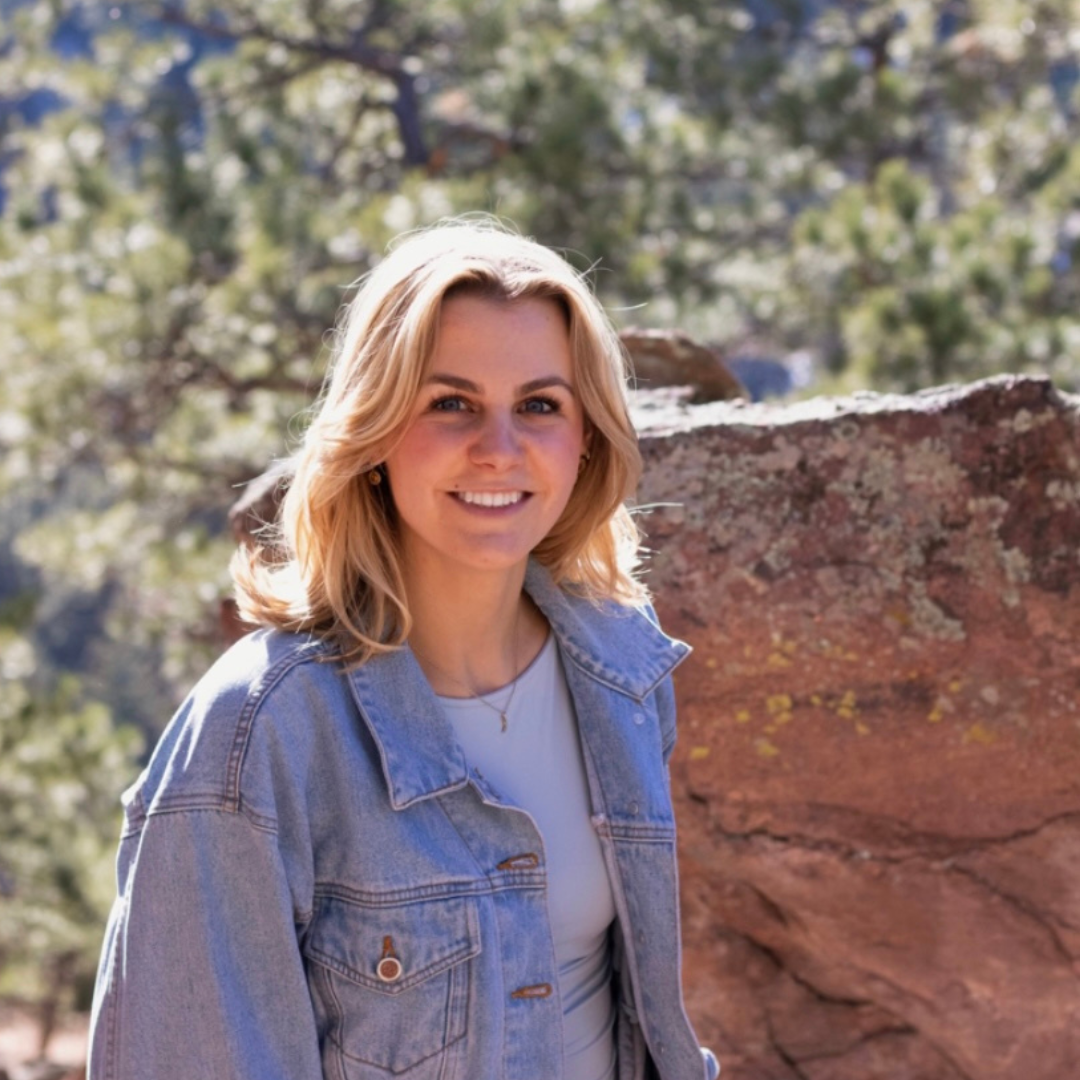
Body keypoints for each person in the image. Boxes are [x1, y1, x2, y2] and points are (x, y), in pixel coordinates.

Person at [87, 218, 720, 1080]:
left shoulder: (620, 673)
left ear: (586, 438)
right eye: (450, 403)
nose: (499, 449)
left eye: (540, 405)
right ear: (377, 432)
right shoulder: (258, 734)